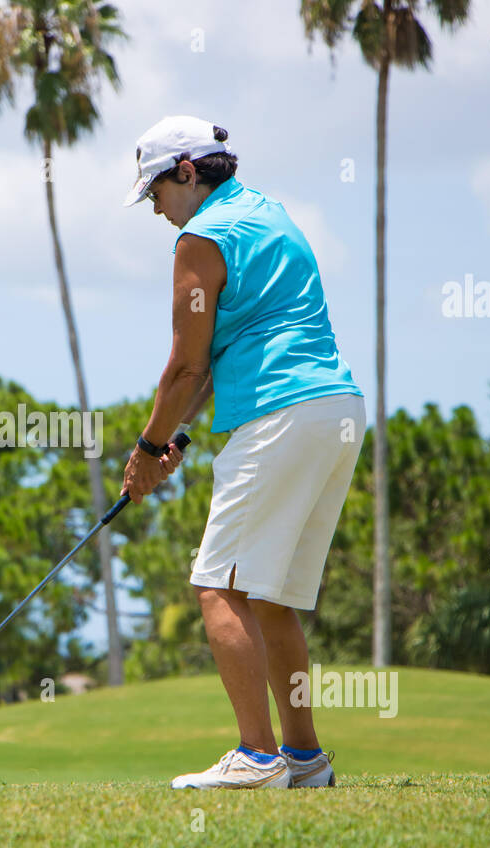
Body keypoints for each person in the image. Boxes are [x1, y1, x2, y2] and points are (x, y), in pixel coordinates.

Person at [119, 115, 366, 790]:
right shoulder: (268, 214)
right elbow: (223, 360)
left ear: (187, 173)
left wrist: (145, 451)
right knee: (271, 595)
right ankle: (306, 760)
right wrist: (174, 437)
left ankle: (256, 758)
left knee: (217, 586)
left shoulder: (202, 237)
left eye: (156, 195)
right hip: (336, 410)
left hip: (280, 415)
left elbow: (185, 368)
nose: (157, 213)